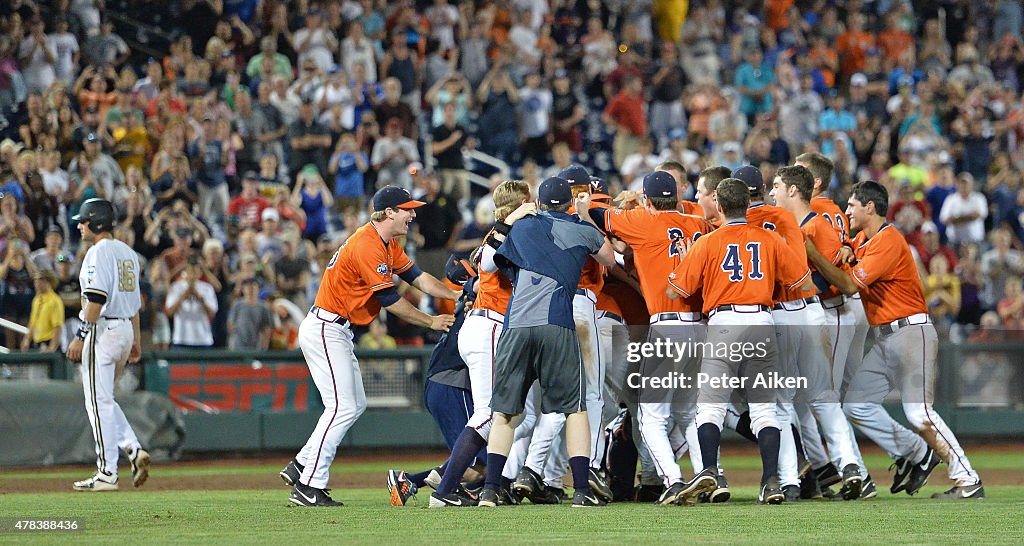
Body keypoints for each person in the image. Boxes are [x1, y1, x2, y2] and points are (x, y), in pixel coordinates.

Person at [805, 180, 985, 500]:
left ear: (869, 207)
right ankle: (916, 452)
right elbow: (851, 245)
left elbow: (848, 286)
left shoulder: (888, 240)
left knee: (920, 413)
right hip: (886, 338)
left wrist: (814, 255)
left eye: (852, 205)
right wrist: (847, 245)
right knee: (857, 405)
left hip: (911, 333)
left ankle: (968, 479)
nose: (847, 210)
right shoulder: (864, 238)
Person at [279, 185, 458, 506]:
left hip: (336, 329)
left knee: (353, 404)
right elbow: (391, 300)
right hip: (326, 327)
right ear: (389, 212)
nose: (413, 215)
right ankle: (308, 485)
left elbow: (418, 279)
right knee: (342, 407)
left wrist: (454, 295)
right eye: (407, 209)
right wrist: (431, 321)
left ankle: (303, 463)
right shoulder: (367, 244)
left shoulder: (386, 243)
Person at [472, 176, 616, 508]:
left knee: (505, 413)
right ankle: (581, 490)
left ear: (538, 202)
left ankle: (491, 490)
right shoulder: (582, 228)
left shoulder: (522, 227)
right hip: (557, 325)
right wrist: (582, 216)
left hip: (516, 325)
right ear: (569, 202)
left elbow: (487, 263)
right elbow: (608, 258)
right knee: (575, 410)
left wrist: (508, 221)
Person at [667, 178, 813, 505]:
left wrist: (694, 265)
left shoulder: (707, 241)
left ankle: (709, 471)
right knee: (764, 411)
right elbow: (802, 282)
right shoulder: (769, 238)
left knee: (710, 408)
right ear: (747, 205)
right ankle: (771, 481)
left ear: (718, 205)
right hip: (761, 320)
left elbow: (675, 290)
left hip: (724, 322)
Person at [578, 170, 719, 505]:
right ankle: (709, 474)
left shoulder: (643, 221)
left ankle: (672, 481)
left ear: (648, 197)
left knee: (651, 415)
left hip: (667, 325)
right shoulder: (696, 224)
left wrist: (584, 208)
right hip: (700, 328)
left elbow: (599, 216)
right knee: (689, 414)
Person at [768, 165, 869, 500]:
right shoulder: (789, 222)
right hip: (811, 315)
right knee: (813, 401)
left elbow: (842, 284)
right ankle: (843, 467)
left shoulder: (816, 225)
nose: (773, 192)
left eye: (778, 186)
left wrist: (813, 257)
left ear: (794, 191)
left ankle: (792, 481)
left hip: (818, 311)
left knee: (796, 401)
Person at [65, 198, 150, 491]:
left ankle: (106, 472)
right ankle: (133, 449)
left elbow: (97, 298)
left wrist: (80, 335)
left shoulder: (97, 252)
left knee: (97, 401)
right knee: (105, 399)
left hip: (103, 329)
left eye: (84, 220)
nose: (79, 225)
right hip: (125, 328)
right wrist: (136, 339)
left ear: (97, 222)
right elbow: (136, 304)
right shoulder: (128, 252)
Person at [22, 270, 63, 351]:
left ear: (48, 282)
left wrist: (52, 348)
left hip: (49, 341)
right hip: (37, 342)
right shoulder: (37, 300)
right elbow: (32, 322)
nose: (37, 285)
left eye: (40, 282)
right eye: (36, 282)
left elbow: (57, 326)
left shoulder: (54, 301)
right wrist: (26, 339)